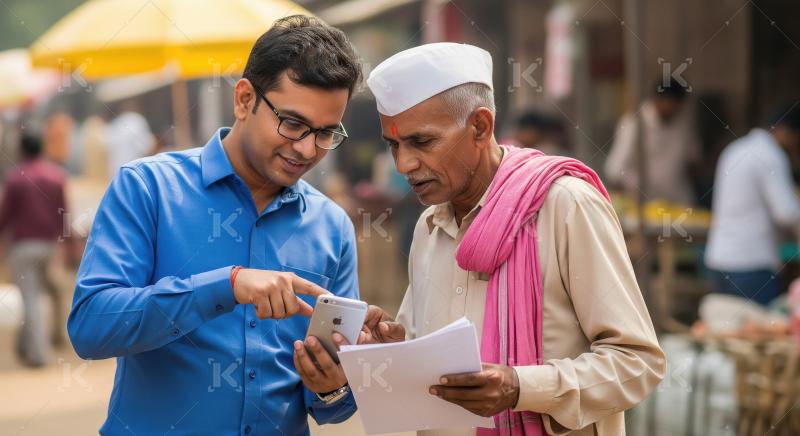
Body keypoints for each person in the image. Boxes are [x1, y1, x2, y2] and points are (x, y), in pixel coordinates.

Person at [68, 16, 362, 434]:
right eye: (293, 124)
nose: (307, 148)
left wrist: (333, 387)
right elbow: (91, 327)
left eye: (327, 132)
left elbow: (334, 406)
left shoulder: (332, 227)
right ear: (244, 100)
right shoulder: (148, 188)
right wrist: (226, 285)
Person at [361, 42, 666, 435]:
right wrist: (393, 349)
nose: (404, 164)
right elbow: (425, 356)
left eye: (422, 142)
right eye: (394, 145)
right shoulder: (429, 227)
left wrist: (521, 387)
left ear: (479, 127)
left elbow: (638, 362)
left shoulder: (566, 206)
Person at [705, 103, 800, 306]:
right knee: (759, 329)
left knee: (730, 331)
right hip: (751, 264)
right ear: (784, 131)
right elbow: (786, 213)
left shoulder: (736, 148)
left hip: (719, 260)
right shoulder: (771, 155)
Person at [0, 134, 68, 367]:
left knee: (30, 299)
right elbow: (64, 212)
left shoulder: (14, 179)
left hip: (24, 246)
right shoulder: (57, 175)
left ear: (22, 151)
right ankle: (53, 337)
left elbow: (5, 215)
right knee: (53, 291)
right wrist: (64, 243)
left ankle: (39, 354)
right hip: (49, 245)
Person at [604, 78, 701, 204]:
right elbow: (614, 170)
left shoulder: (684, 124)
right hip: (643, 207)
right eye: (668, 103)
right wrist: (635, 187)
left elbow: (694, 161)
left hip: (679, 203)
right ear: (656, 99)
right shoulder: (634, 123)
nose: (672, 109)